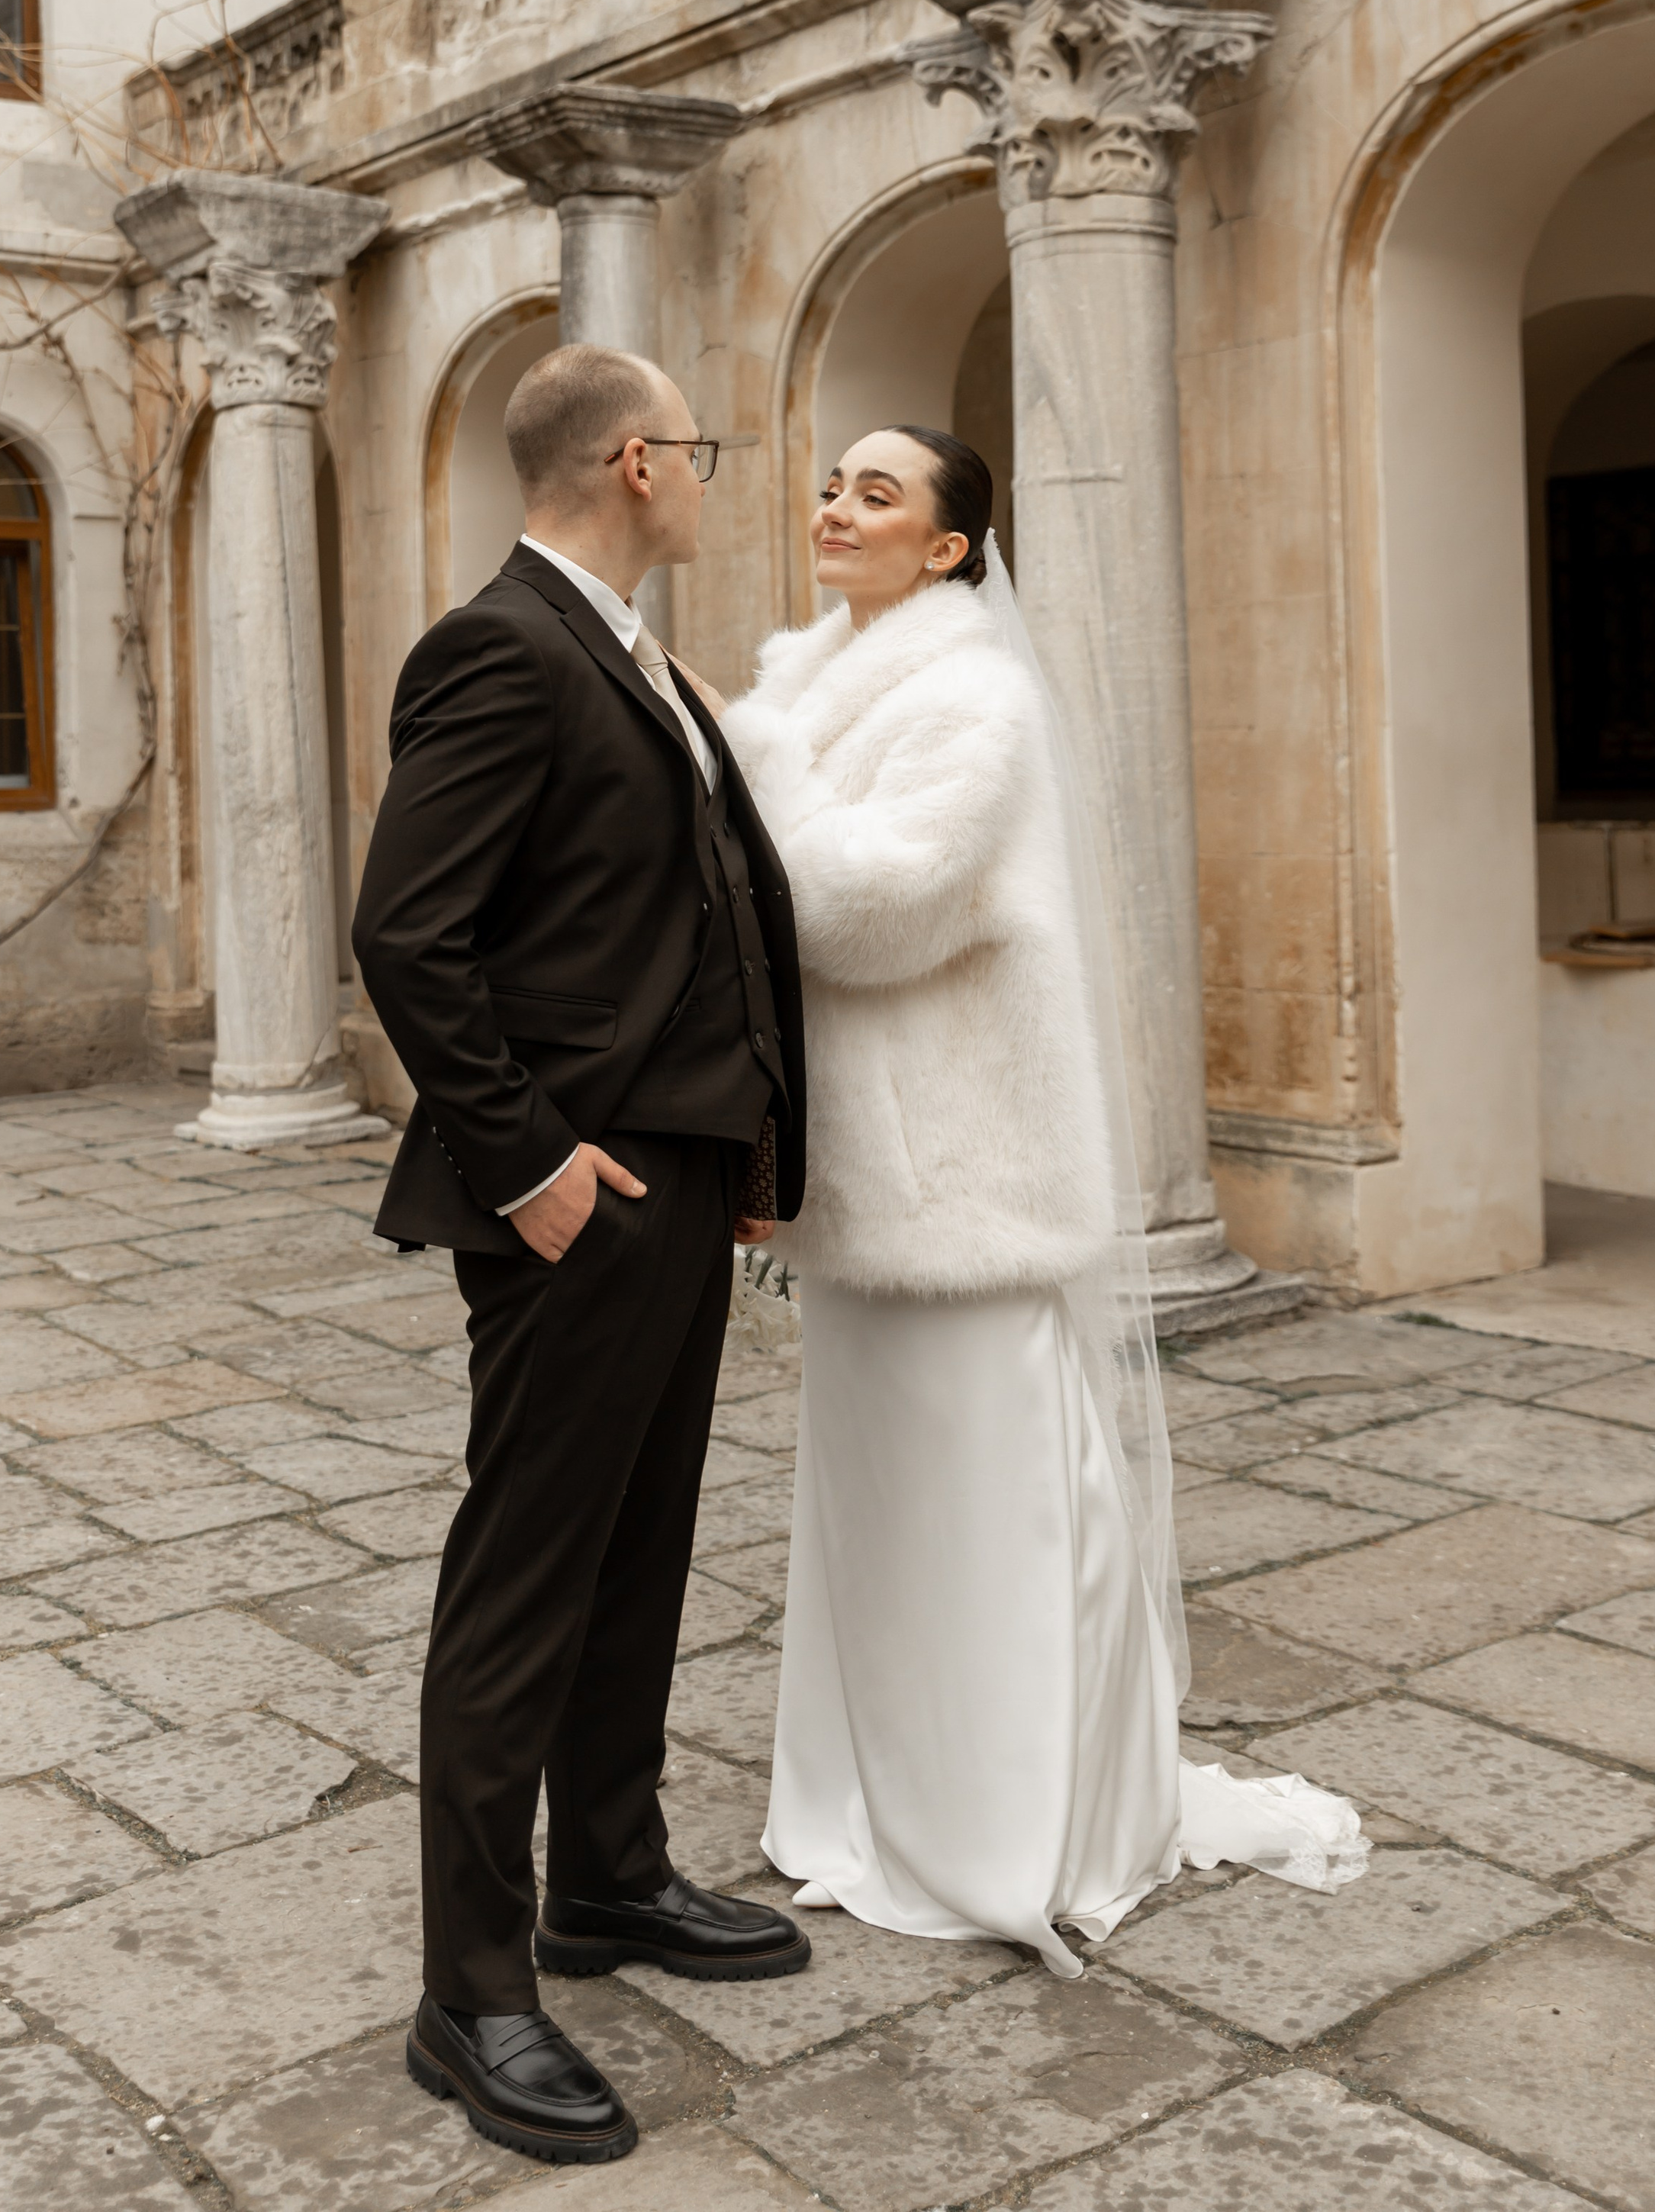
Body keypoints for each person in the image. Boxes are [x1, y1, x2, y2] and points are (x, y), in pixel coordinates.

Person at [720, 424, 1367, 1974]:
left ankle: (1015, 1825)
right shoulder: (803, 681)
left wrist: (747, 762)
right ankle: (863, 1801)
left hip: (964, 1181)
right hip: (863, 1178)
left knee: (987, 1503)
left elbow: (871, 910)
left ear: (947, 548)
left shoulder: (974, 698)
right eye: (831, 483)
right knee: (871, 1512)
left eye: (878, 493)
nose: (836, 508)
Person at [351, 344, 812, 2169]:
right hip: (574, 1192)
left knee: (642, 1542)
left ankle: (607, 1881)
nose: (706, 473)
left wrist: (755, 1150)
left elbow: (694, 915)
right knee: (524, 1577)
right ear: (635, 462)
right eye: (694, 449)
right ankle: (470, 1992)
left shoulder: (631, 653)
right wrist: (529, 1163)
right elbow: (410, 935)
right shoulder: (498, 648)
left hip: (684, 1175)